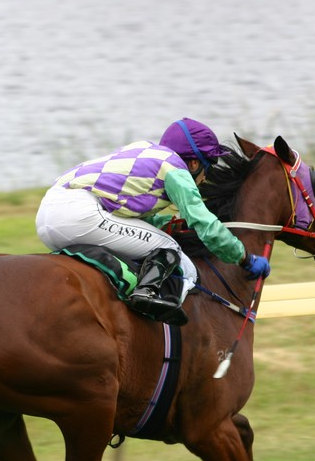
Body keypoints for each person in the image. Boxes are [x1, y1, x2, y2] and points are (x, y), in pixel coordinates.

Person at [35, 118, 270, 325]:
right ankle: (146, 294)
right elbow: (206, 225)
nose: (205, 177)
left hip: (47, 215)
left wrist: (166, 223)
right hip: (79, 214)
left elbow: (129, 213)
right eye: (208, 167)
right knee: (168, 247)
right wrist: (243, 258)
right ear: (195, 163)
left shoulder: (143, 150)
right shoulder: (177, 169)